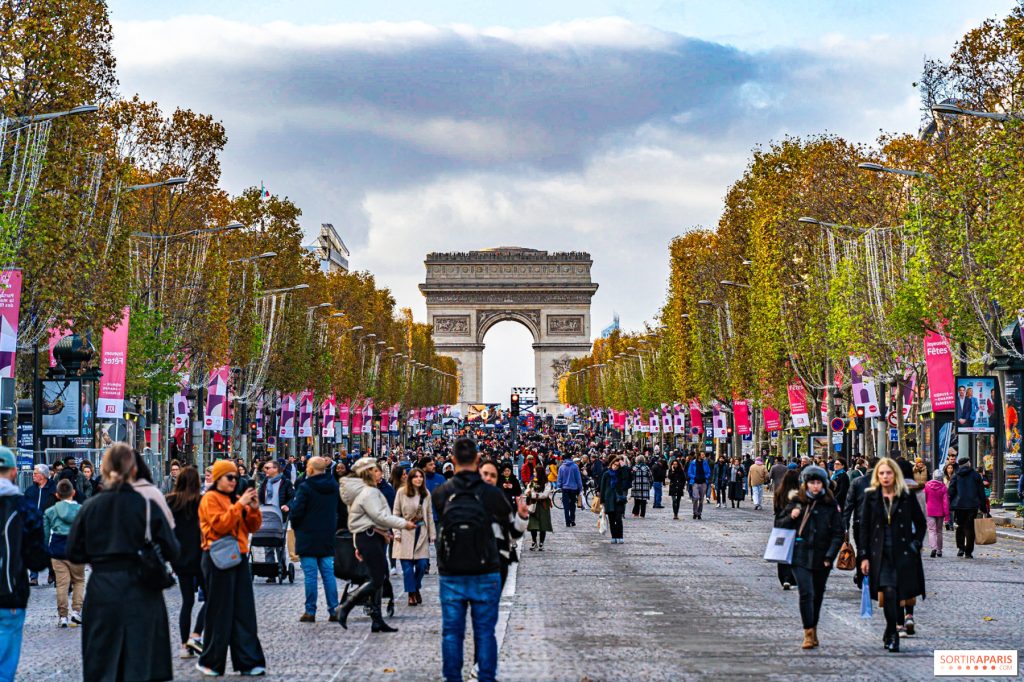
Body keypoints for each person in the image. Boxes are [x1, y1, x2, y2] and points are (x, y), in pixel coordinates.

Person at [67, 443, 180, 681]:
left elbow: (74, 552)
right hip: (141, 587)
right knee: (141, 660)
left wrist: (99, 554)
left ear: (104, 470)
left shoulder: (90, 507)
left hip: (102, 587)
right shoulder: (146, 505)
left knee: (102, 660)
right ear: (134, 470)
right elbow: (173, 549)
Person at [432, 438, 527, 682]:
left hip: (451, 571)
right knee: (485, 633)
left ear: (452, 460)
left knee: (451, 633)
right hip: (486, 569)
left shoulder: (442, 493)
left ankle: (452, 678)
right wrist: (521, 517)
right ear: (477, 460)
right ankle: (485, 678)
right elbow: (512, 533)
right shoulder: (492, 493)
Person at [196, 459, 266, 676]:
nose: (234, 481)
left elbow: (252, 526)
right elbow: (220, 525)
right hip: (217, 558)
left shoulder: (235, 499)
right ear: (218, 478)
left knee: (244, 610)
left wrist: (253, 509)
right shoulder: (209, 499)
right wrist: (240, 505)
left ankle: (249, 661)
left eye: (236, 477)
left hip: (239, 557)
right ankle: (211, 661)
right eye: (229, 477)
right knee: (220, 611)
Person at [336, 457, 415, 632]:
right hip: (369, 537)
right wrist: (403, 524)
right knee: (377, 578)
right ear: (368, 472)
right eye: (377, 470)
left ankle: (377, 619)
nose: (380, 473)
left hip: (370, 537)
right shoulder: (368, 492)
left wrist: (358, 543)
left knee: (377, 578)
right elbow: (380, 517)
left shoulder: (365, 491)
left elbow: (360, 518)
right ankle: (345, 606)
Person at [857, 457, 927, 653]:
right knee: (888, 592)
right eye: (882, 473)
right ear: (877, 476)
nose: (885, 476)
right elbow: (864, 528)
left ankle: (892, 631)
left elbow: (920, 523)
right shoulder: (871, 497)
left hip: (902, 553)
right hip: (880, 554)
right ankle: (892, 631)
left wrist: (916, 544)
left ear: (895, 474)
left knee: (897, 594)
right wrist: (863, 556)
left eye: (888, 473)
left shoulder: (906, 495)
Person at [776, 465, 844, 649]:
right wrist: (791, 516)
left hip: (822, 557)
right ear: (805, 484)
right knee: (806, 592)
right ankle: (807, 632)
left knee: (817, 594)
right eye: (812, 483)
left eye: (818, 483)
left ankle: (813, 627)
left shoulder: (830, 505)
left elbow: (838, 533)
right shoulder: (797, 501)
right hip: (799, 555)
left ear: (824, 484)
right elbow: (779, 525)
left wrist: (830, 555)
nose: (815, 486)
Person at [0, 445, 49, 681]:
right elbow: (37, 560)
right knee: (4, 666)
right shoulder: (24, 506)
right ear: (14, 472)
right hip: (10, 594)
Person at [289, 457, 340, 623]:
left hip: (308, 535)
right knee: (328, 574)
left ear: (310, 469)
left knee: (310, 576)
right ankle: (334, 609)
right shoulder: (334, 486)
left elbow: (296, 512)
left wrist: (296, 526)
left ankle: (310, 611)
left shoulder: (305, 487)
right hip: (327, 535)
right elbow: (340, 509)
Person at [167, 466, 206, 658]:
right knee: (212, 598)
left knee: (187, 601)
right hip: (201, 555)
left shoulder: (170, 501)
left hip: (180, 557)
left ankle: (184, 646)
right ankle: (196, 634)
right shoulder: (202, 501)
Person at [478, 460, 527, 588]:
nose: (489, 478)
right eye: (485, 474)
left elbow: (514, 532)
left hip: (499, 559)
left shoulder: (501, 502)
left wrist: (522, 518)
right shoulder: (472, 497)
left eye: (493, 475)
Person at [43, 480, 84, 628]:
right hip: (77, 548)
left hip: (58, 549)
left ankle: (63, 616)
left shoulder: (50, 511)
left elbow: (45, 534)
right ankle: (76, 611)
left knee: (62, 584)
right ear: (73, 493)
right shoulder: (81, 510)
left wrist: (45, 550)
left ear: (57, 495)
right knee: (79, 581)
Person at [392, 467, 435, 605]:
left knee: (422, 565)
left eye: (420, 476)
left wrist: (432, 533)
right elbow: (396, 513)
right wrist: (397, 532)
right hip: (405, 531)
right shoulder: (401, 492)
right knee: (408, 568)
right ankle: (411, 593)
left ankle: (416, 587)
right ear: (410, 479)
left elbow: (429, 514)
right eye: (415, 476)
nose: (418, 479)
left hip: (421, 532)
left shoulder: (426, 493)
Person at [258, 459, 294, 580]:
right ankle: (271, 573)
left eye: (268, 468)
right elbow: (260, 497)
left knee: (279, 545)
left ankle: (281, 569)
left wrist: (287, 506)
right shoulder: (265, 482)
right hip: (266, 517)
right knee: (267, 545)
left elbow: (292, 497)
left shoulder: (285, 482)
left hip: (280, 517)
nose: (265, 470)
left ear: (276, 469)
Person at [947, 454, 987, 559]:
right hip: (972, 506)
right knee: (969, 528)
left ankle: (961, 548)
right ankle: (968, 552)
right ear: (968, 464)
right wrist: (983, 507)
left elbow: (951, 491)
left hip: (959, 505)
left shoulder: (956, 475)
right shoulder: (976, 475)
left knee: (960, 526)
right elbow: (981, 492)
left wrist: (948, 504)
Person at [773, 470, 801, 590]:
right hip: (795, 526)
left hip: (781, 525)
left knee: (782, 551)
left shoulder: (779, 492)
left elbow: (776, 509)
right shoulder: (799, 494)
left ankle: (784, 577)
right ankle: (792, 577)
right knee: (794, 552)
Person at [599, 455, 630, 543]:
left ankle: (620, 537)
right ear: (611, 464)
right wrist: (602, 501)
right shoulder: (606, 474)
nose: (615, 466)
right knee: (612, 520)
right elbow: (602, 488)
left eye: (617, 465)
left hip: (618, 499)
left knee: (618, 519)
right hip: (609, 500)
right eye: (614, 464)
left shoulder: (620, 473)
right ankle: (614, 537)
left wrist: (623, 467)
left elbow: (627, 477)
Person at [525, 468, 554, 550]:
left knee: (543, 525)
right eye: (534, 471)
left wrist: (533, 495)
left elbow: (545, 494)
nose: (534, 473)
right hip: (533, 505)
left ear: (539, 472)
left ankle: (541, 542)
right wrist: (528, 493)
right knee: (533, 525)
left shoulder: (546, 483)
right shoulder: (532, 482)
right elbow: (527, 490)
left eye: (535, 472)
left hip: (543, 506)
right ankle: (534, 542)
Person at [924, 469, 950, 558]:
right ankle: (939, 550)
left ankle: (933, 548)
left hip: (930, 510)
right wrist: (947, 517)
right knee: (939, 531)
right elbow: (945, 503)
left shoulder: (927, 486)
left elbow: (925, 499)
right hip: (940, 512)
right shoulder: (943, 487)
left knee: (931, 530)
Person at [556, 455, 582, 527]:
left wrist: (559, 485)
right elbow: (578, 478)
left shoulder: (562, 467)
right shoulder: (575, 466)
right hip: (573, 488)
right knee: (572, 505)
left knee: (566, 506)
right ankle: (572, 520)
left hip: (565, 488)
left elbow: (559, 478)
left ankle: (567, 521)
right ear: (571, 458)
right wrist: (580, 487)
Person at [688, 453, 711, 520]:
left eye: (704, 454)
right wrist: (694, 477)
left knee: (701, 499)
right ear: (699, 456)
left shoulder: (705, 463)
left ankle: (699, 513)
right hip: (695, 482)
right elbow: (689, 472)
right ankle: (695, 512)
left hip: (703, 482)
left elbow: (708, 472)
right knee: (695, 498)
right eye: (702, 455)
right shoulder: (693, 463)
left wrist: (706, 477)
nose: (703, 456)